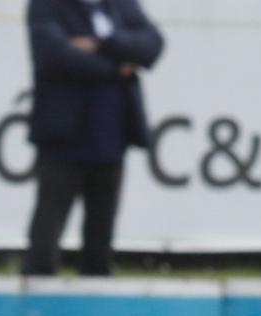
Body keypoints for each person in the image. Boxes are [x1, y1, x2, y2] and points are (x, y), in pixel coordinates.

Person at [21, 0, 164, 277]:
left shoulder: (119, 5)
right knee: (45, 242)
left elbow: (152, 44)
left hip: (111, 142)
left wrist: (101, 42)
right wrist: (115, 68)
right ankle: (36, 310)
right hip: (62, 142)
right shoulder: (47, 5)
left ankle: (94, 308)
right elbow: (53, 55)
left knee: (99, 246)